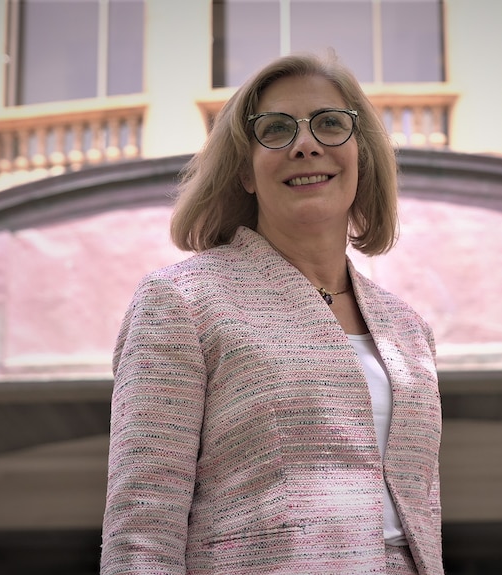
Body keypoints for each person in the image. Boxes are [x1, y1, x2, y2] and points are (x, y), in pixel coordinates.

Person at [101, 52, 443, 575]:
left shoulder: (408, 329)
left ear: (361, 155)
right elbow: (142, 527)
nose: (306, 144)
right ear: (244, 171)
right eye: (276, 130)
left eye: (330, 124)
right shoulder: (182, 301)